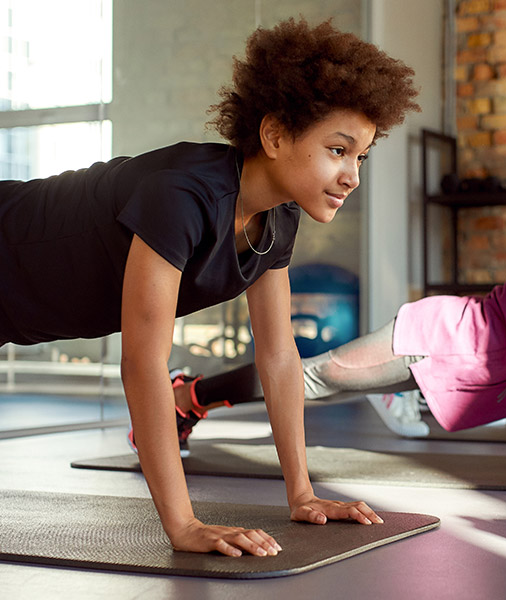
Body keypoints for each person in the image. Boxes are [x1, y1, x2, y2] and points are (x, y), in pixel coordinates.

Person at [0, 18, 420, 557]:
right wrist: (183, 525)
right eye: (338, 150)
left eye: (360, 156)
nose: (352, 176)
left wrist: (303, 494)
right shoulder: (185, 196)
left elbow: (279, 356)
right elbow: (143, 363)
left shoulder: (278, 221)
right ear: (274, 135)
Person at [164, 153, 506, 490]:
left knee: (314, 389)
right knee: (311, 379)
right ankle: (186, 396)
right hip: (437, 341)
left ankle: (194, 399)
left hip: (464, 367)